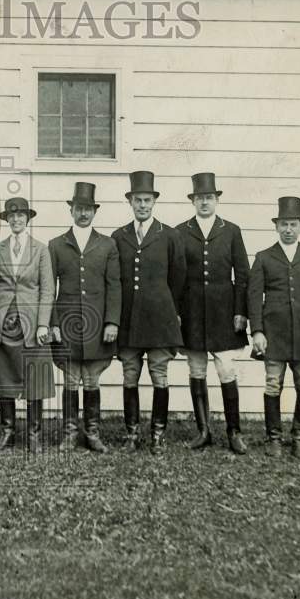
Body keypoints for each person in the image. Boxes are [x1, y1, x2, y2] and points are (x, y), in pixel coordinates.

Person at [112, 171, 186, 455]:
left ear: (154, 202)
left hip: (160, 319)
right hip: (129, 319)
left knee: (159, 376)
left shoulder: (169, 235)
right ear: (130, 202)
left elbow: (178, 278)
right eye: (137, 200)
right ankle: (131, 433)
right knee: (130, 376)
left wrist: (173, 310)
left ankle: (158, 434)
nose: (142, 205)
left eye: (147, 200)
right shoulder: (119, 236)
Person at [247, 197, 300, 459]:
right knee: (273, 385)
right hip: (274, 334)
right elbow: (253, 296)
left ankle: (299, 437)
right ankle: (274, 438)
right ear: (277, 226)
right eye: (284, 224)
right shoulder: (263, 257)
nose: (288, 229)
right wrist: (257, 331)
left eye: (293, 224)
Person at [176, 172, 250, 454]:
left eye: (209, 197)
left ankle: (234, 432)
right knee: (196, 369)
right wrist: (178, 312)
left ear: (216, 200)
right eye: (199, 198)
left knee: (226, 369)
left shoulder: (231, 230)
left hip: (224, 311)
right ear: (193, 201)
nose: (204, 202)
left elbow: (242, 274)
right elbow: (176, 276)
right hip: (192, 311)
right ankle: (203, 430)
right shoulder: (181, 231)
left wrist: (240, 311)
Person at [48, 182, 121, 453]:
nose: (83, 214)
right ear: (71, 210)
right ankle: (69, 433)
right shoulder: (56, 245)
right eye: (79, 209)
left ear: (94, 212)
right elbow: (48, 287)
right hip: (66, 324)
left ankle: (92, 433)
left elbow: (115, 285)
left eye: (88, 209)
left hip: (97, 323)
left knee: (92, 380)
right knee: (70, 380)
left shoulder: (107, 245)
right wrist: (53, 323)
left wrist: (112, 321)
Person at [0, 197, 55, 453]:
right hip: (3, 320)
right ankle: (8, 432)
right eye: (11, 215)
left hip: (32, 322)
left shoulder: (40, 249)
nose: (16, 219)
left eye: (20, 215)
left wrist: (43, 324)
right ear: (6, 219)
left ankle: (34, 433)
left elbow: (47, 290)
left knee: (34, 375)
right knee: (5, 374)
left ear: (28, 218)